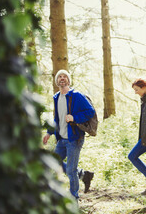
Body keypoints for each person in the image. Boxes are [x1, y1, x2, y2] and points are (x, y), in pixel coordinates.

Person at [43, 69, 95, 199]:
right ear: (56, 81)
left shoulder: (76, 95)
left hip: (74, 138)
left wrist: (74, 117)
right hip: (61, 139)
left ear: (68, 80)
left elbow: (90, 111)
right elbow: (57, 118)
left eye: (64, 76)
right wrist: (49, 133)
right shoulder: (56, 97)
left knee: (71, 171)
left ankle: (74, 199)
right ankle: (83, 175)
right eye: (59, 77)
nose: (62, 78)